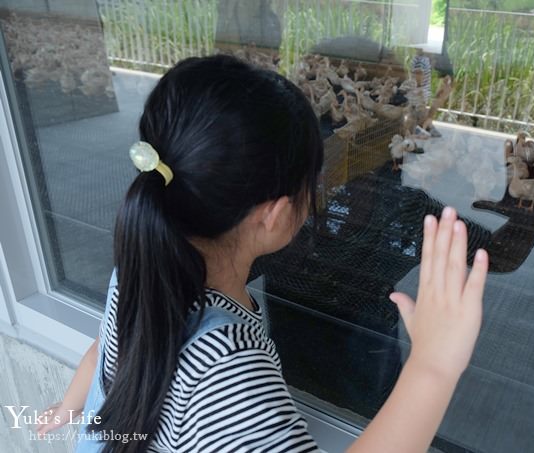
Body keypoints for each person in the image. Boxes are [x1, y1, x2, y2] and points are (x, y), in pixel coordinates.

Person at [32, 54, 488, 452]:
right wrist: (434, 365)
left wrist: (72, 407)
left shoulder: (141, 270)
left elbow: (106, 355)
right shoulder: (225, 369)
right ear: (273, 215)